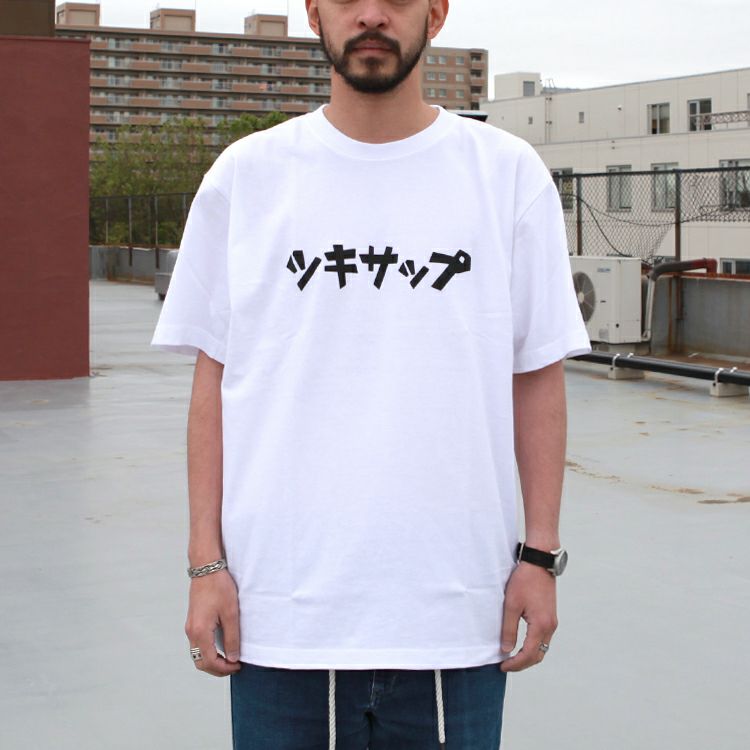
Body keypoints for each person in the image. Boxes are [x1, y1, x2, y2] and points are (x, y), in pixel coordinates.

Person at [150, 0, 592, 747]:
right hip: (280, 612)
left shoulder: (506, 174)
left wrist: (540, 556)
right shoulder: (248, 176)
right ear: (314, 13)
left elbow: (537, 375)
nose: (372, 15)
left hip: (458, 614)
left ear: (436, 13)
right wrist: (204, 565)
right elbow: (213, 383)